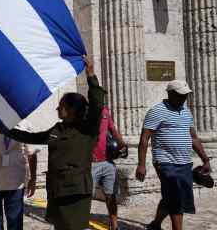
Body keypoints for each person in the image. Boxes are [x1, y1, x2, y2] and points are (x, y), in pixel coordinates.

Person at [7, 57, 105, 230]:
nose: (57, 109)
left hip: (75, 191)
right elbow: (33, 137)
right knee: (59, 227)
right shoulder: (57, 129)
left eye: (61, 106)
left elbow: (97, 105)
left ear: (72, 110)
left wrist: (90, 75)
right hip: (56, 189)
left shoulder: (86, 130)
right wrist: (6, 129)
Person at [136, 80, 212, 230]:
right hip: (164, 161)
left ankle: (155, 224)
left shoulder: (186, 112)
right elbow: (144, 138)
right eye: (180, 95)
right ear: (170, 93)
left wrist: (205, 159)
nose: (184, 98)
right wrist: (141, 164)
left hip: (184, 162)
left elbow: (194, 138)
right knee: (176, 198)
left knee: (170, 197)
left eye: (186, 95)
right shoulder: (156, 111)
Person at [0, 118, 37, 230]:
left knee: (14, 220)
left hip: (14, 180)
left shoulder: (25, 125)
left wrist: (33, 179)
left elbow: (32, 154)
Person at [91, 106, 126, 230]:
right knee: (86, 195)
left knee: (111, 195)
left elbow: (113, 130)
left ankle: (114, 225)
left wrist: (123, 145)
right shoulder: (84, 111)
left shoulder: (105, 111)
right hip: (91, 163)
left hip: (107, 161)